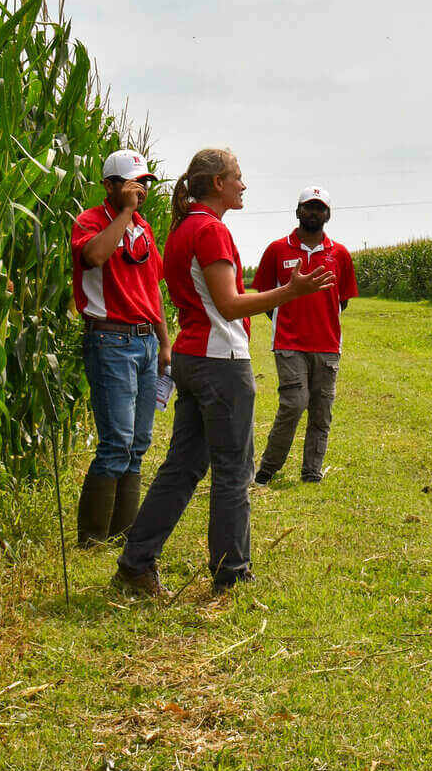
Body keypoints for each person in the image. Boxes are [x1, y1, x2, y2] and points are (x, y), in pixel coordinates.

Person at [113, 149, 335, 597]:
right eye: (238, 177)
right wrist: (289, 292)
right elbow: (230, 305)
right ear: (217, 183)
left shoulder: (181, 231)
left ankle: (136, 563)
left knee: (184, 465)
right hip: (221, 364)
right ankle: (231, 571)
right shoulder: (211, 232)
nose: (243, 184)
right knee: (234, 470)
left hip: (192, 359)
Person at [70, 149, 170, 547]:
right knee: (116, 442)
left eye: (144, 183)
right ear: (109, 186)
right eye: (132, 183)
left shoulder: (143, 228)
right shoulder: (90, 222)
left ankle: (123, 533)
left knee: (139, 442)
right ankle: (92, 538)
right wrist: (125, 214)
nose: (141, 190)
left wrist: (164, 342)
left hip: (145, 341)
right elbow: (94, 256)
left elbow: (153, 289)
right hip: (110, 340)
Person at [253, 188, 359, 485]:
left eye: (319, 208)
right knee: (294, 402)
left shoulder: (340, 254)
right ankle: (267, 469)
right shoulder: (277, 249)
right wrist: (286, 321)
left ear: (328, 214)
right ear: (297, 212)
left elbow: (343, 301)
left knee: (321, 411)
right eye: (308, 207)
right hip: (289, 344)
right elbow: (264, 296)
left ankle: (312, 471)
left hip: (327, 345)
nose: (314, 212)